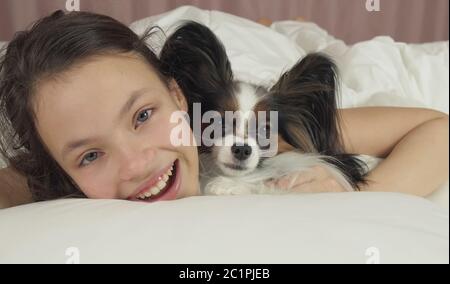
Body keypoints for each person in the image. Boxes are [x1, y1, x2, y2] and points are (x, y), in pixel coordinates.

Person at [0, 11, 448, 209]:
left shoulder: (265, 132)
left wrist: (359, 198)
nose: (138, 165)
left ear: (179, 99)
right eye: (89, 155)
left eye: (142, 116)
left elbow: (437, 127)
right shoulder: (45, 177)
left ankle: (277, 30)